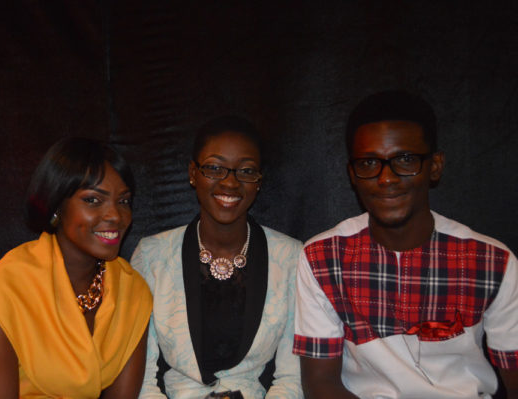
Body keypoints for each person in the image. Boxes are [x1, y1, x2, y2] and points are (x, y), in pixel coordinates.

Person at [293, 90, 518, 398]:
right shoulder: (322, 258)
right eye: (370, 162)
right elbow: (320, 384)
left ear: (435, 166)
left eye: (405, 160)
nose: (386, 178)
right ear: (352, 174)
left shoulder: (493, 262)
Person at [0, 137, 152, 399]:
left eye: (124, 201)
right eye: (93, 200)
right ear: (57, 206)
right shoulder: (6, 285)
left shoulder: (132, 292)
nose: (115, 215)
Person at [131, 116, 303, 398]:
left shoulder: (291, 257)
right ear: (192, 173)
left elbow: (292, 377)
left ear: (259, 180)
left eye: (246, 171)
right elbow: (141, 378)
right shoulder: (151, 256)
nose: (230, 183)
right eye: (214, 168)